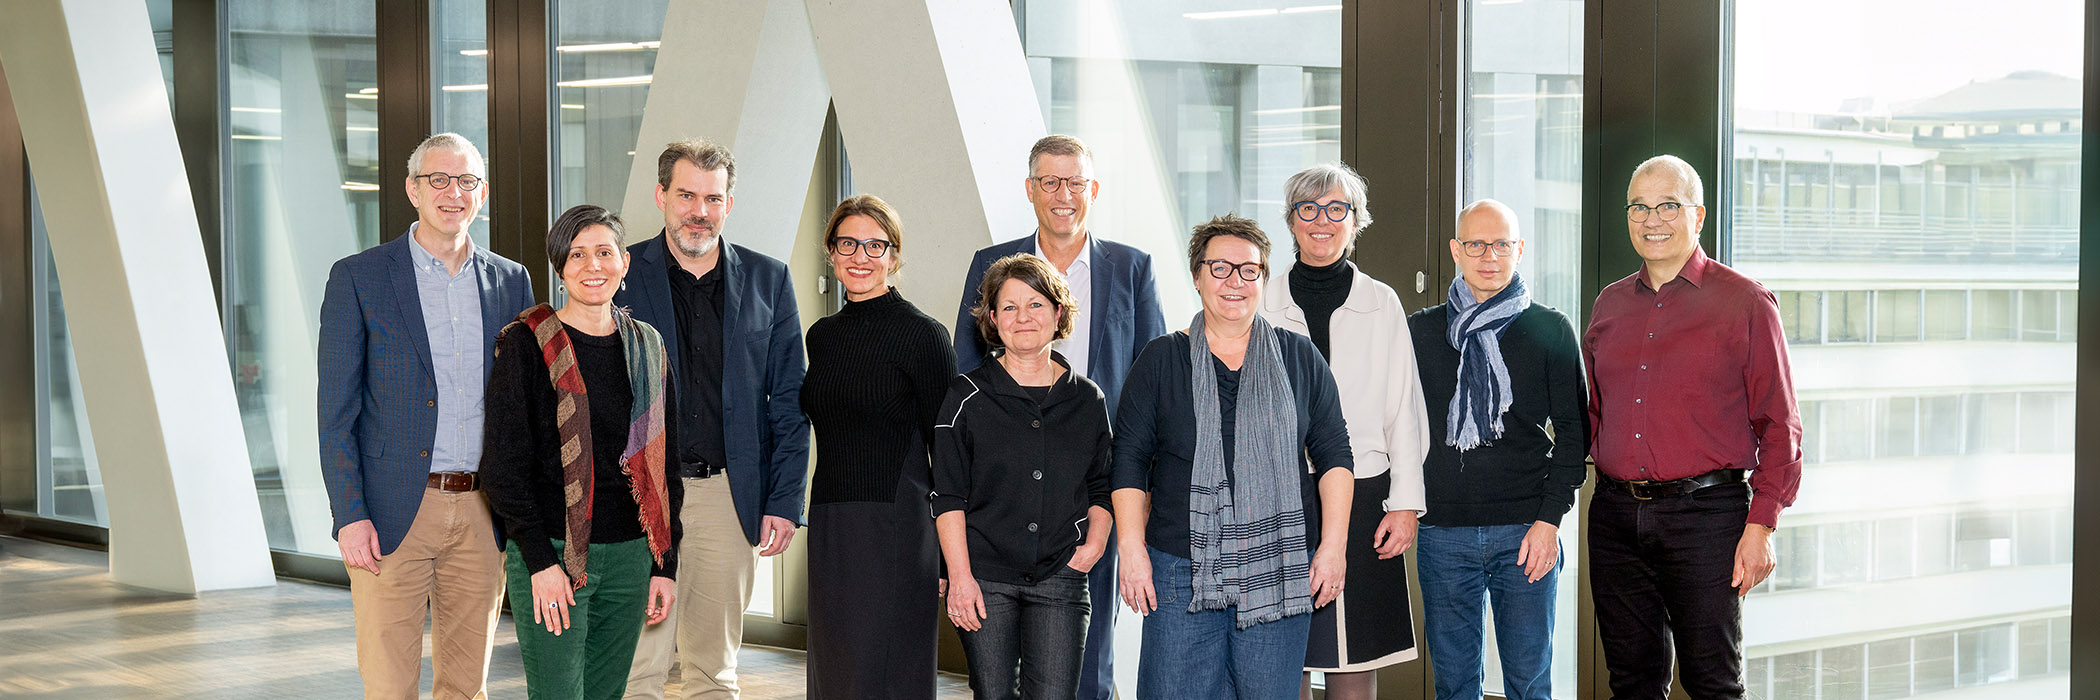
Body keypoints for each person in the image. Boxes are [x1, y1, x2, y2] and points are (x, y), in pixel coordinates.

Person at [318, 132, 536, 700]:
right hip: (391, 515)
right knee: (390, 686)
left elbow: (520, 408)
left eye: (466, 181)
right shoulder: (359, 277)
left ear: (481, 194)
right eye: (438, 179)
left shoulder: (511, 281)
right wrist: (349, 515)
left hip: (483, 512)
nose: (452, 192)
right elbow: (336, 413)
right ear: (412, 190)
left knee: (467, 687)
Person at [953, 135, 1166, 698]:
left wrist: (1142, 482)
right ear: (1030, 190)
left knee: (1089, 643)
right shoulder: (991, 264)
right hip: (1003, 491)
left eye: (1075, 182)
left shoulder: (1132, 267)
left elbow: (1152, 383)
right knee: (998, 664)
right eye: (1050, 182)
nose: (1063, 194)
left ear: (1093, 190)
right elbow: (966, 371)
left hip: (1096, 485)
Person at [1111, 215, 1355, 699]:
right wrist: (1132, 550)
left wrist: (1333, 547)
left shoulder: (1300, 357)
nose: (1234, 282)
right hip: (1180, 567)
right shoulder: (1161, 360)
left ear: (1263, 278)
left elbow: (1335, 456)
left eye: (1248, 270)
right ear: (1197, 276)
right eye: (1219, 268)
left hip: (1278, 568)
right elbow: (1129, 460)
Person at [1585, 155, 1802, 699]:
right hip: (1614, 517)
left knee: (1713, 685)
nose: (1651, 220)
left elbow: (1780, 425)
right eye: (1639, 207)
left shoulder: (1746, 302)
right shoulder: (1609, 304)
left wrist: (1762, 526)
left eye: (1668, 205)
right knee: (1630, 684)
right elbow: (1594, 413)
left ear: (1698, 215)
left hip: (1706, 519)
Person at [616, 139, 811, 700]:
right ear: (661, 196)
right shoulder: (620, 273)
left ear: (729, 204)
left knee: (713, 673)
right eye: (686, 196)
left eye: (713, 198)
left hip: (728, 497)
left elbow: (789, 401)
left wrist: (784, 500)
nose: (699, 211)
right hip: (640, 496)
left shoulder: (769, 279)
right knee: (637, 669)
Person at [481, 205, 683, 699]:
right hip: (553, 552)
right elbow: (503, 469)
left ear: (624, 262)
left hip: (631, 556)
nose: (593, 266)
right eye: (577, 255)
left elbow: (666, 468)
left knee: (606, 695)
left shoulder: (648, 347)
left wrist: (664, 566)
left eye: (605, 253)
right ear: (560, 268)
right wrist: (539, 564)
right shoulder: (526, 344)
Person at [1256, 163, 1429, 700]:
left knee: (1356, 653)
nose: (1322, 220)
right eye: (1308, 209)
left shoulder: (1382, 301)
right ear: (1291, 221)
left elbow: (1405, 410)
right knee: (1283, 653)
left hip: (1365, 495)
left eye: (1337, 209)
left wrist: (1405, 503)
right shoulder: (1261, 300)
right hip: (1278, 494)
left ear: (1356, 221)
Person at [1408, 200, 1586, 700]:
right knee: (1454, 684)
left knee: (1529, 683)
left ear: (1520, 250)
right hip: (1443, 533)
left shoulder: (1550, 329)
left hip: (1526, 531)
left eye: (1502, 244)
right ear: (1455, 250)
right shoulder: (1420, 331)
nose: (1489, 256)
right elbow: (1399, 425)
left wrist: (1549, 521)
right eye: (1476, 244)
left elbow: (1574, 435)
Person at [934, 254, 1115, 700]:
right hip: (983, 578)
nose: (1023, 317)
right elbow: (948, 495)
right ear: (993, 319)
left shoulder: (1088, 399)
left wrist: (1093, 546)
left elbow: (1102, 485)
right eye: (1009, 307)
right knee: (993, 694)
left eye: (1035, 304)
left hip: (1061, 575)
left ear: (1058, 312)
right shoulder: (964, 396)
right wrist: (959, 577)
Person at [797, 195, 955, 697]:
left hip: (897, 526)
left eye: (874, 245)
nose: (860, 256)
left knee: (886, 671)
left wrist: (949, 557)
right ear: (831, 253)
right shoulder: (821, 336)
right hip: (830, 522)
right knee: (835, 669)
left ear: (894, 255)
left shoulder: (924, 335)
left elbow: (948, 453)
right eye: (847, 243)